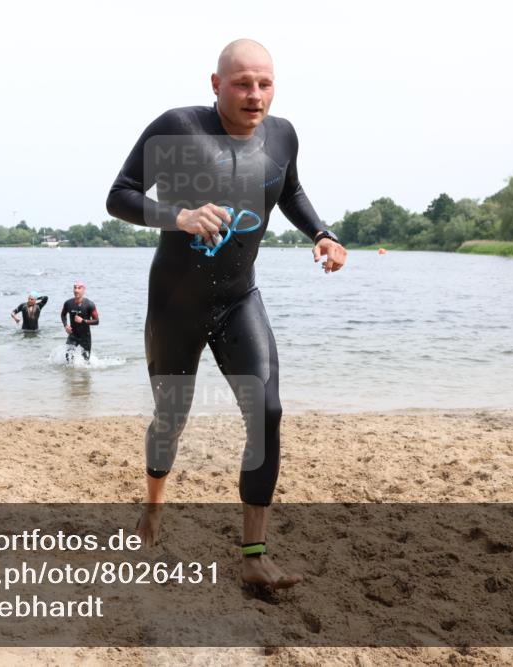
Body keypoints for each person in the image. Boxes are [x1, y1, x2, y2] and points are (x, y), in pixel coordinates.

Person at [105, 39, 347, 589]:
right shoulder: (178, 130)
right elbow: (118, 196)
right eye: (242, 83)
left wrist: (323, 233)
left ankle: (254, 556)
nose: (254, 95)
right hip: (175, 304)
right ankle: (153, 504)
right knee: (172, 417)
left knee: (268, 412)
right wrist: (180, 215)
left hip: (239, 298)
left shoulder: (282, 135)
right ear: (216, 85)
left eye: (264, 83)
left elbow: (290, 189)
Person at [60, 281, 99, 361]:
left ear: (83, 290)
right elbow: (63, 315)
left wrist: (83, 321)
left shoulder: (89, 304)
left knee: (86, 361)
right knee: (68, 358)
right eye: (75, 287)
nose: (76, 290)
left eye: (79, 288)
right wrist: (66, 326)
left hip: (85, 336)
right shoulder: (68, 303)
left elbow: (96, 321)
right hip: (73, 335)